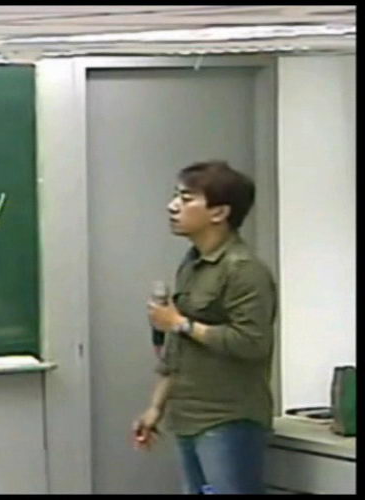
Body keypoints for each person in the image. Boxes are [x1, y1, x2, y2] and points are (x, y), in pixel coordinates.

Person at [132, 160, 277, 494]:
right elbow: (177, 348)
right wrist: (156, 407)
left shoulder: (243, 270)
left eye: (186, 199)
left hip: (228, 420)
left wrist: (180, 323)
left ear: (219, 213)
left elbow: (252, 342)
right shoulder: (192, 264)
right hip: (187, 416)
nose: (172, 207)